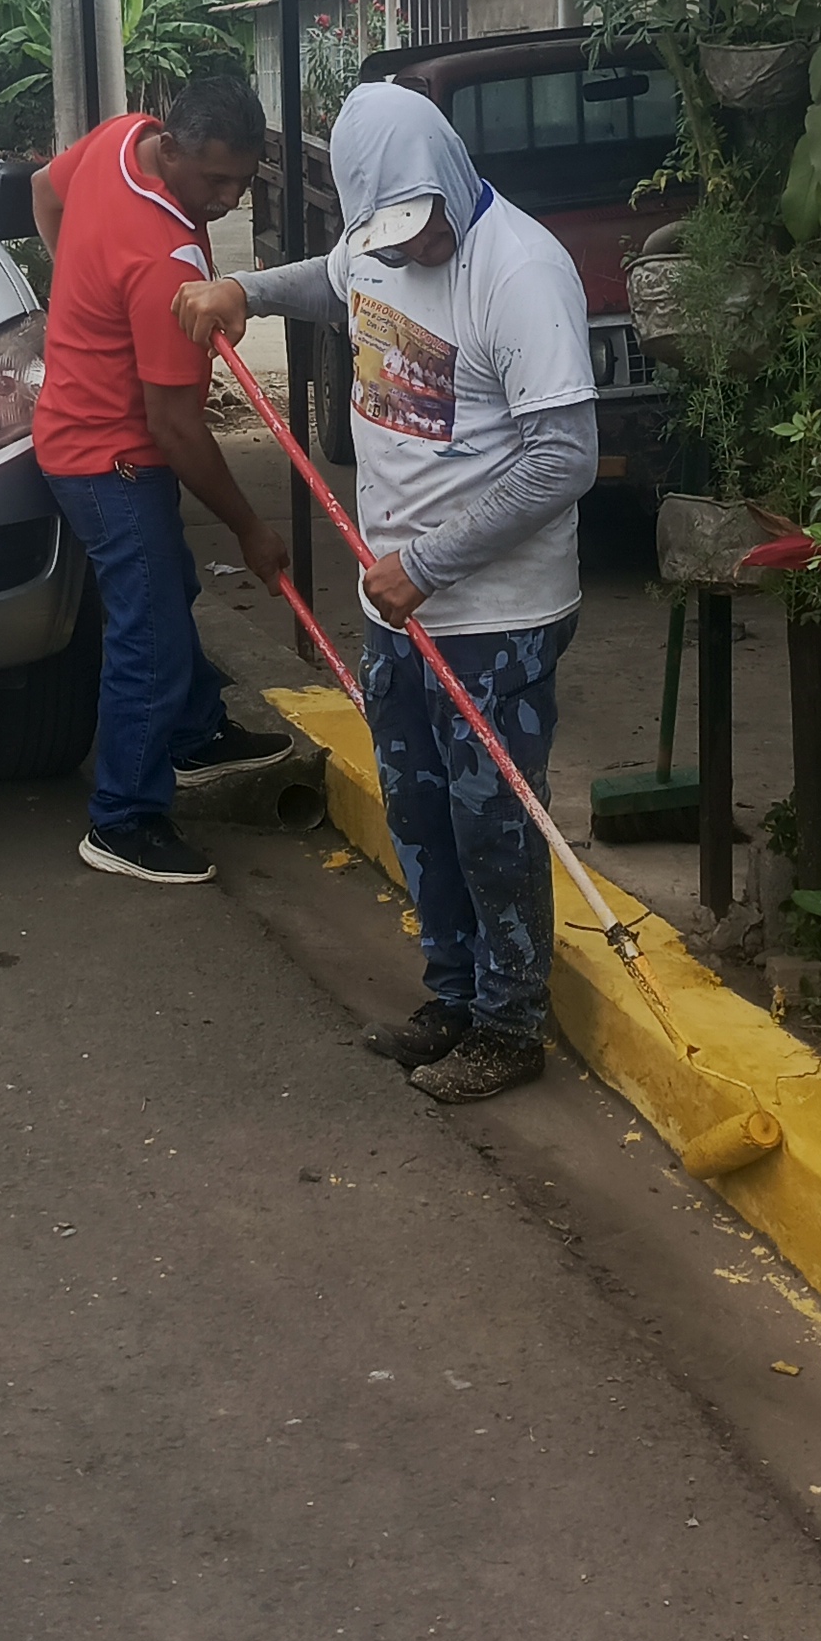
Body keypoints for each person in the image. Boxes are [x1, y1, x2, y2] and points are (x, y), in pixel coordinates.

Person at [176, 76, 597, 1101]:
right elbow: (337, 282)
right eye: (394, 236)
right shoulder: (379, 243)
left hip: (495, 615)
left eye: (427, 228)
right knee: (420, 813)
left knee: (492, 824)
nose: (416, 249)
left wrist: (430, 563)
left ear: (452, 175)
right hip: (395, 604)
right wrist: (246, 292)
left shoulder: (521, 271)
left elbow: (564, 458)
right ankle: (453, 997)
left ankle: (510, 1025)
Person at [32, 64, 292, 888]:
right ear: (172, 148)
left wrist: (78, 299)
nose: (229, 199)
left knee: (168, 587)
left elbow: (43, 191)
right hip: (109, 458)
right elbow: (175, 428)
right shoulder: (168, 264)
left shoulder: (121, 137)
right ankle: (124, 819)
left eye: (242, 181)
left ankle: (193, 732)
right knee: (148, 633)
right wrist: (250, 527)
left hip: (81, 434)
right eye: (215, 180)